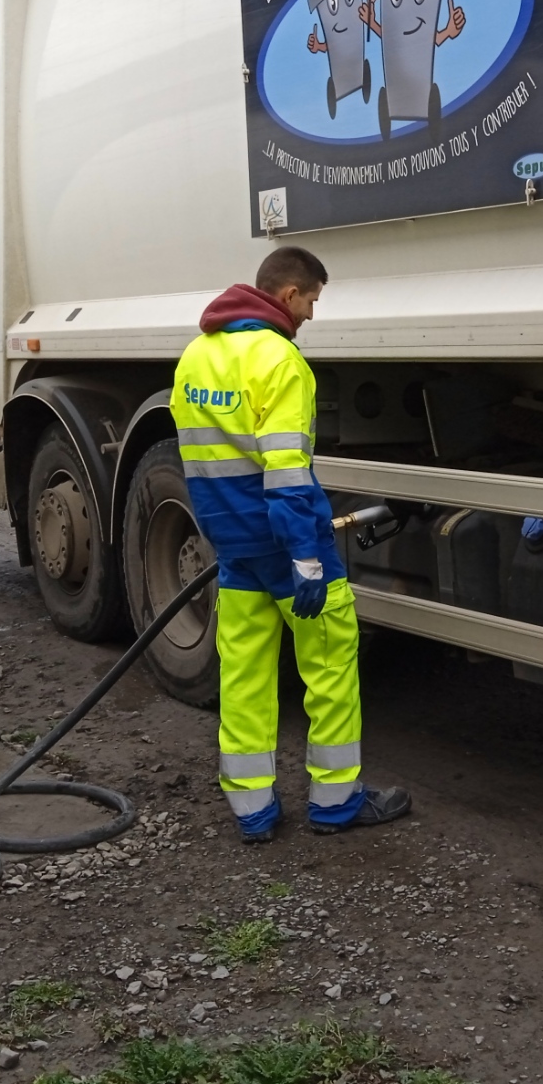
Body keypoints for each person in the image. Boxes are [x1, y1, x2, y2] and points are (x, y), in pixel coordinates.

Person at [173, 245, 412, 842]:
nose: (310, 314)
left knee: (245, 679)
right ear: (287, 295)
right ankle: (336, 805)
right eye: (311, 300)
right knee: (330, 670)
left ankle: (252, 811)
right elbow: (286, 475)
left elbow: (199, 467)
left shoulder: (196, 358)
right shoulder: (279, 361)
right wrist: (305, 558)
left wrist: (233, 538)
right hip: (287, 547)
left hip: (234, 549)